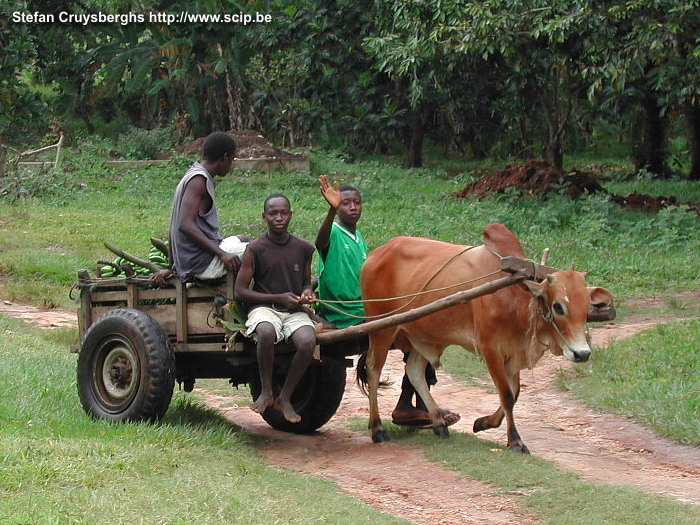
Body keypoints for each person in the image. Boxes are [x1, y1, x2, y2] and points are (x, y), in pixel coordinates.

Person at [315, 175, 459, 428]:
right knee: (412, 331)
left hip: (366, 308)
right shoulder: (334, 233)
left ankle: (409, 405)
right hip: (344, 312)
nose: (352, 207)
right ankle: (413, 404)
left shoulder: (359, 238)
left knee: (420, 330)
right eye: (345, 203)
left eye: (356, 203)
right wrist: (330, 210)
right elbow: (320, 242)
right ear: (337, 207)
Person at [235, 194, 317, 423]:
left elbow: (306, 283)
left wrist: (307, 293)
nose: (279, 218)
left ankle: (285, 397)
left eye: (283, 213)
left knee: (308, 341)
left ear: (290, 215)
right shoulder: (255, 249)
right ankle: (266, 390)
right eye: (273, 214)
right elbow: (240, 291)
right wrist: (279, 297)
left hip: (293, 312)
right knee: (266, 332)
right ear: (264, 217)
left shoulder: (304, 249)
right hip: (264, 308)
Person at [154, 131, 248, 285]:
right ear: (224, 158)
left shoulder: (193, 174)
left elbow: (175, 227)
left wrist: (173, 266)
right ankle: (251, 298)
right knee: (259, 251)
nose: (232, 165)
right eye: (232, 159)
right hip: (202, 263)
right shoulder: (199, 181)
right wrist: (222, 254)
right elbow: (184, 225)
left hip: (193, 258)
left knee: (243, 238)